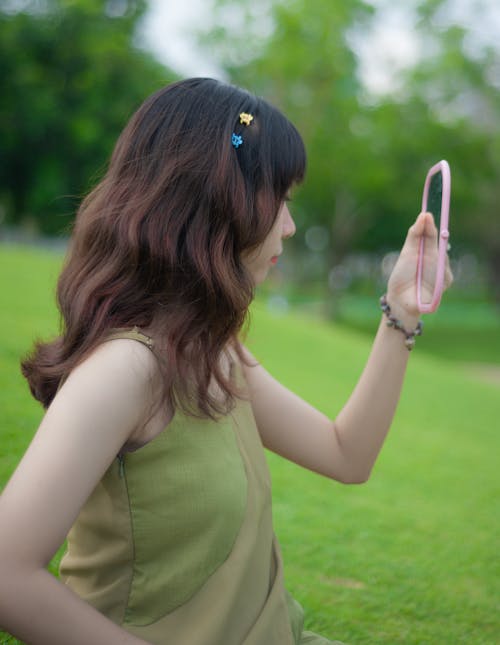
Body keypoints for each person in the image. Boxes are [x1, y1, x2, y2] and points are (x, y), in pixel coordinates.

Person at [0, 77, 451, 645]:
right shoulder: (124, 370)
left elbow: (346, 454)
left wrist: (403, 310)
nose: (288, 225)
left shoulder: (215, 354)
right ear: (220, 200)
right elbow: (7, 575)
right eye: (280, 200)